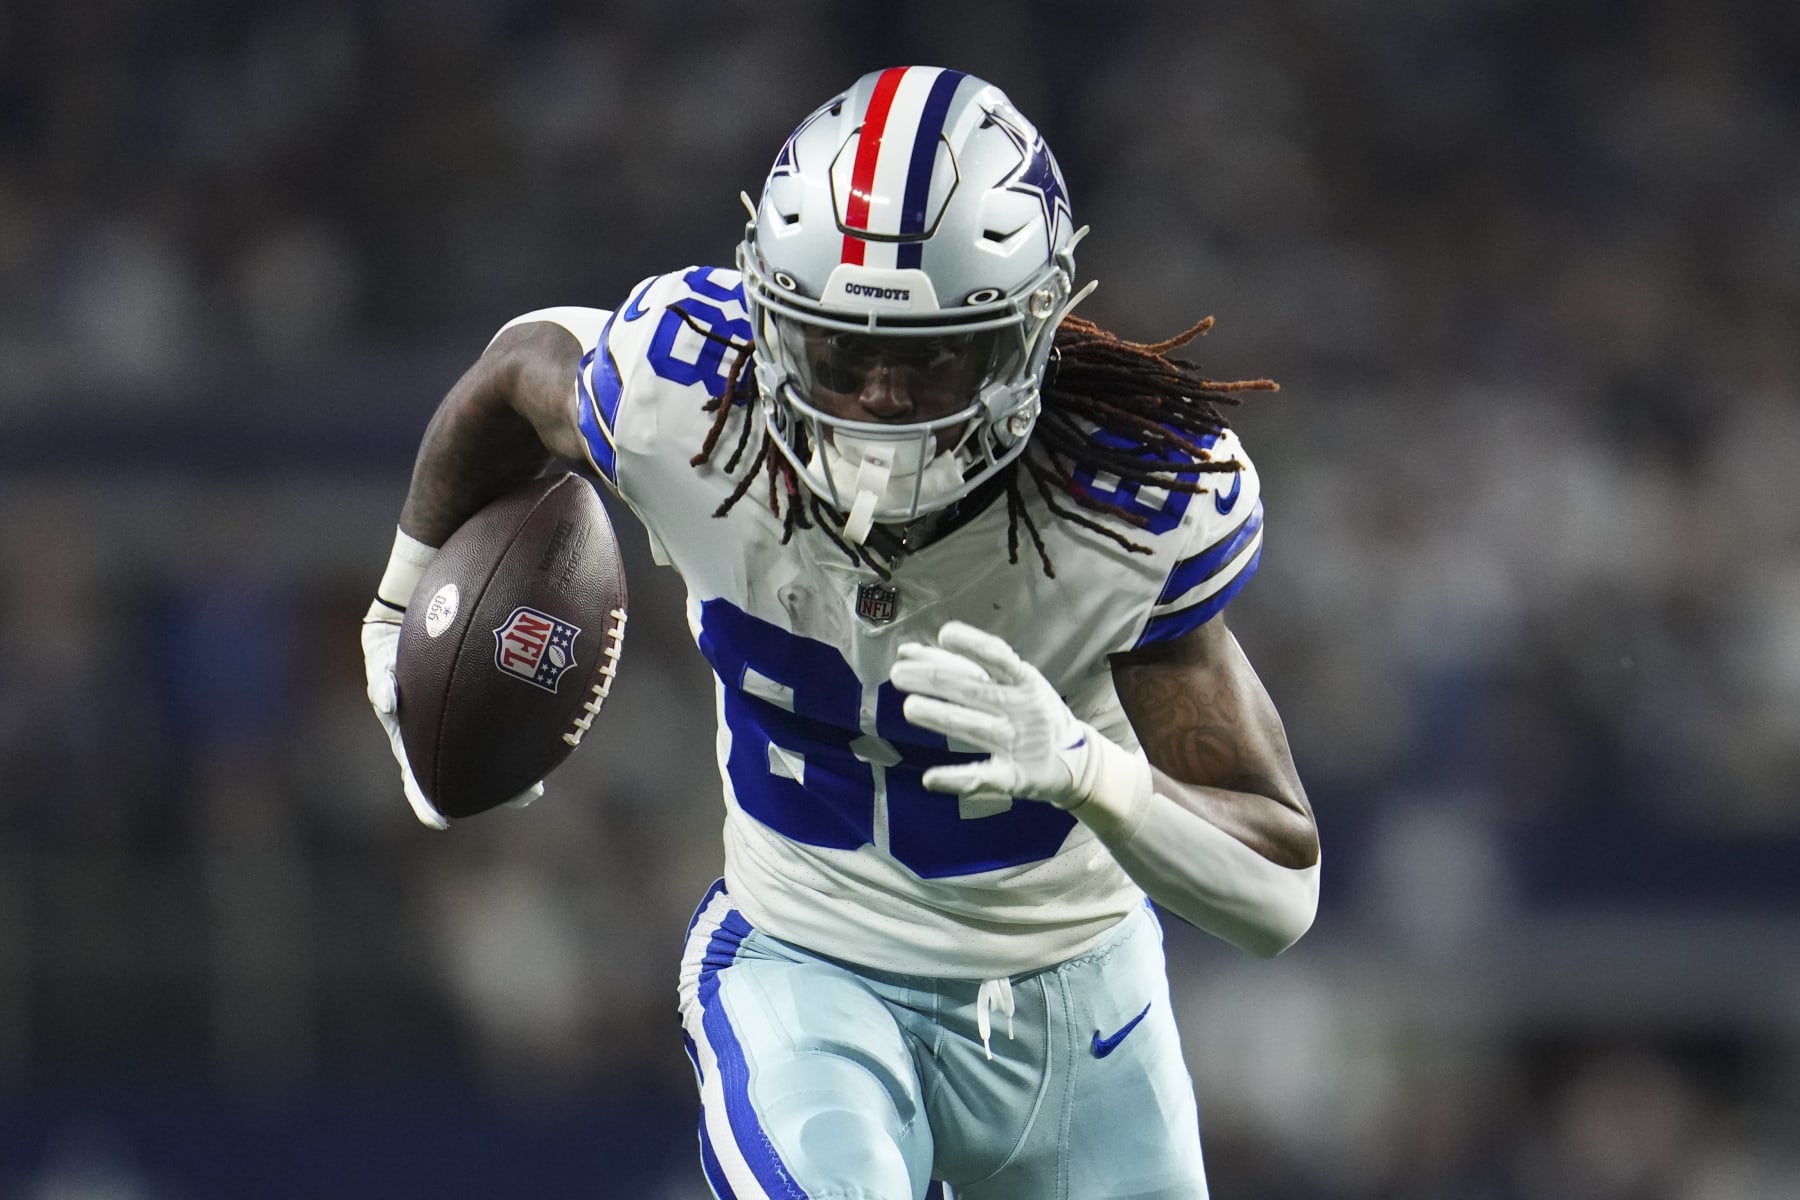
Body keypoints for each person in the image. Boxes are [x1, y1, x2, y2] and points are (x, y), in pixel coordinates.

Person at [360, 65, 1319, 1200]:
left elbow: (1278, 895)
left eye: (926, 359)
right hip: (806, 964)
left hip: (1077, 1006)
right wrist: (401, 602)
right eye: (839, 351)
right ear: (769, 321)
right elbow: (520, 368)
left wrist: (1087, 771)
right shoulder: (689, 406)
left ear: (1030, 336)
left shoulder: (1120, 506)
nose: (873, 397)